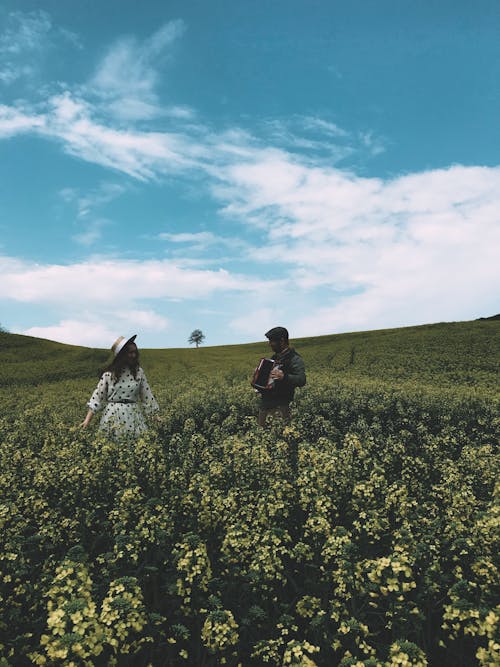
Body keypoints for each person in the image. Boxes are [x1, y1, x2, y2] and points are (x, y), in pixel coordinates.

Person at [81, 334, 159, 438]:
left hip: (133, 415)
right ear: (122, 355)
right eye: (130, 352)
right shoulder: (109, 374)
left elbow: (147, 396)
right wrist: (87, 421)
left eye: (135, 352)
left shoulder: (139, 372)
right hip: (112, 415)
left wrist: (156, 417)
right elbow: (97, 397)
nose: (134, 355)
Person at [257, 326, 306, 427]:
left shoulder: (294, 358)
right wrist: (259, 377)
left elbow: (301, 380)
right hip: (265, 407)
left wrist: (284, 377)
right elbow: (267, 382)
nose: (269, 344)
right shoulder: (273, 358)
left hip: (281, 407)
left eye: (272, 341)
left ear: (282, 341)